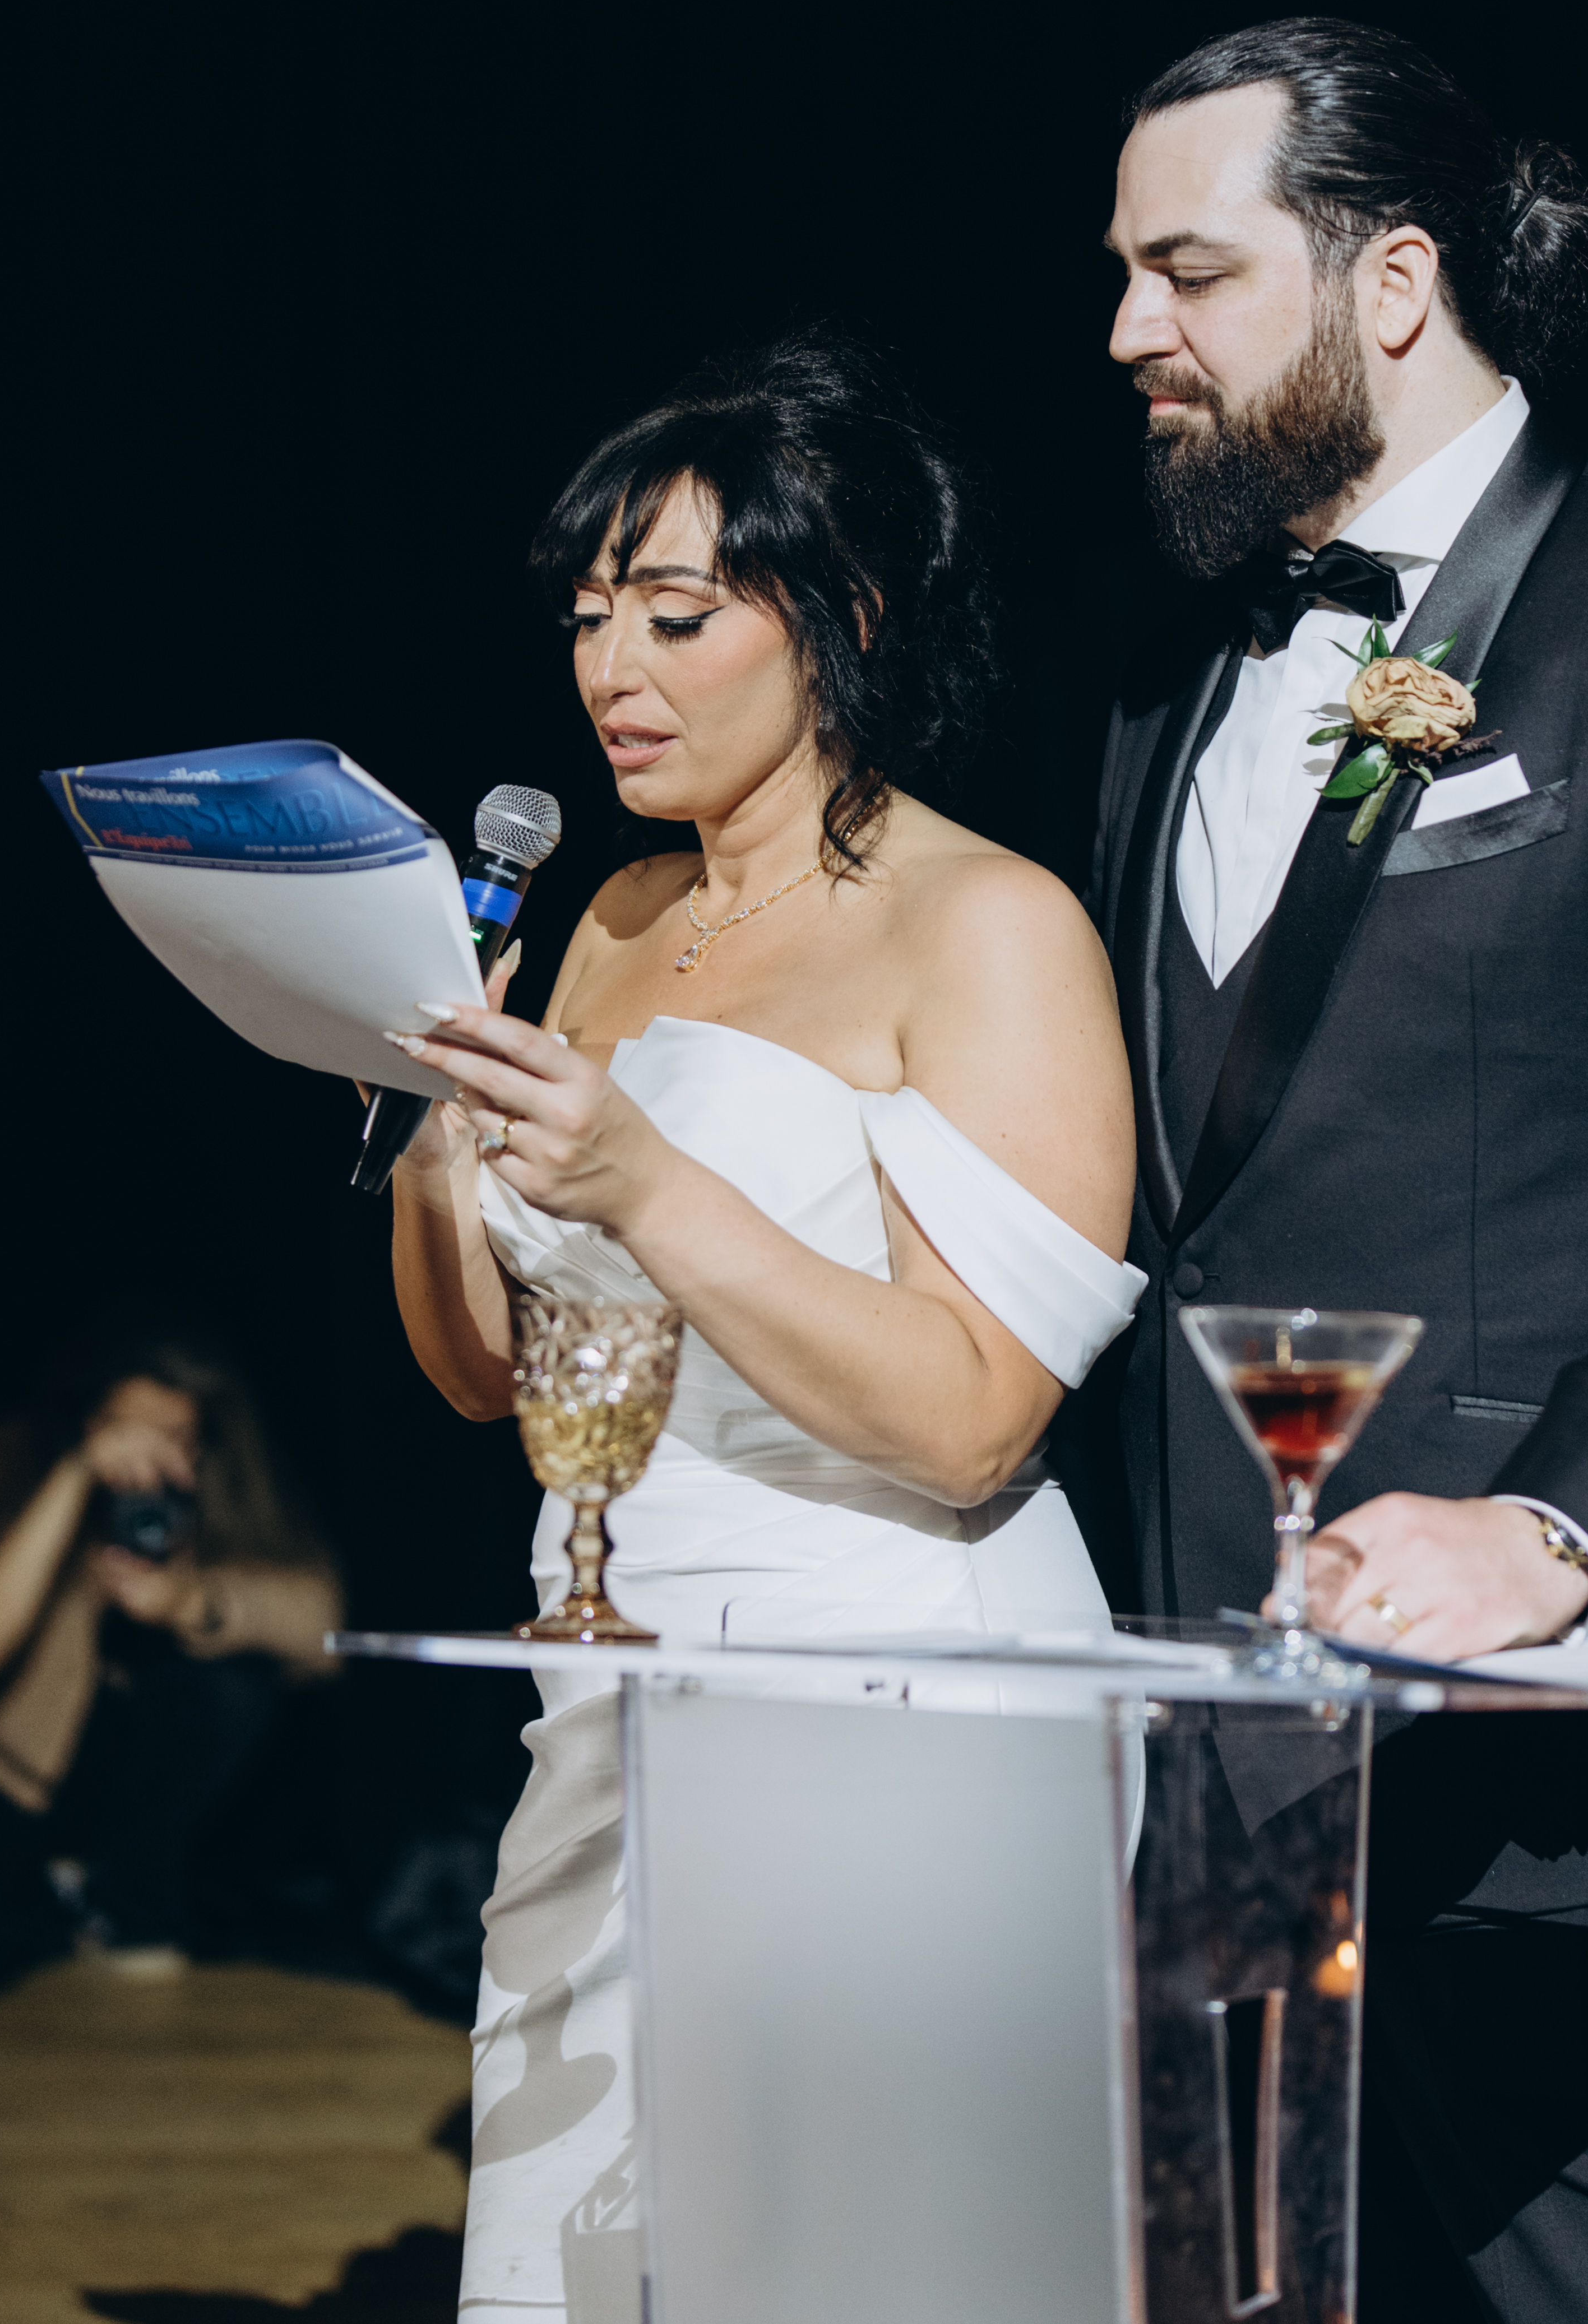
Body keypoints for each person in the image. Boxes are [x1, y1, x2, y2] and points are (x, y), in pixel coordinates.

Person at [1083, 15, 1588, 2322]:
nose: (1125, 329)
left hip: (1554, 1790)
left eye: (1186, 270)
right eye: (1122, 273)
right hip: (1212, 1747)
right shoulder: (1163, 674)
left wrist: (1554, 1532)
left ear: (1392, 278)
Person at [383, 336, 1143, 2322]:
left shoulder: (983, 924)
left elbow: (976, 1420)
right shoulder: (612, 917)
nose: (609, 668)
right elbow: (487, 1373)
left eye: (674, 613)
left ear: (846, 617)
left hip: (899, 1693)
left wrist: (645, 1179)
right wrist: (431, 1128)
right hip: (610, 1669)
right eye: (586, 617)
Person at [0, 1320, 342, 1998]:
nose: (145, 1456)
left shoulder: (210, 1494)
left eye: (171, 1437)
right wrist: (78, 1473)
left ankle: (110, 1894)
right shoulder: (15, 1454)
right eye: (123, 1430)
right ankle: (62, 1911)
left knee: (237, 1683)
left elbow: (328, 1627)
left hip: (121, 1791)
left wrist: (191, 1601)